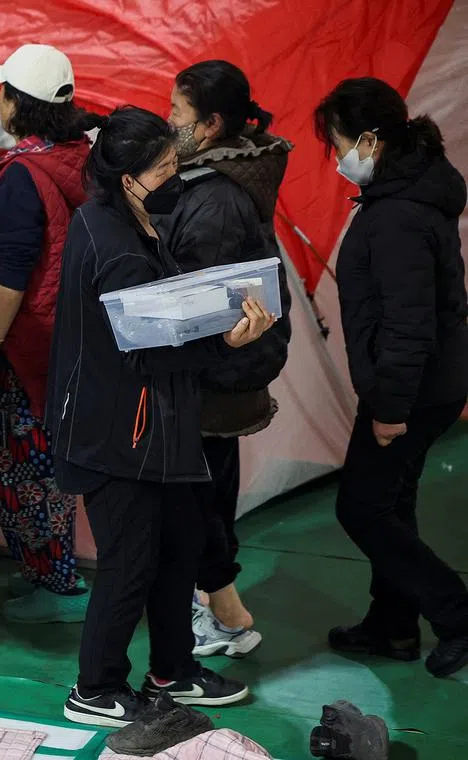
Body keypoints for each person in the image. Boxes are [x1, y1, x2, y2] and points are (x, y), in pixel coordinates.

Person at [49, 107, 274, 726]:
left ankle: (173, 668)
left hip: (156, 428)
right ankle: (94, 688)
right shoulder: (117, 247)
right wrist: (226, 341)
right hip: (120, 434)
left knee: (179, 547)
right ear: (129, 178)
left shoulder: (120, 220)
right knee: (129, 563)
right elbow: (147, 348)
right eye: (166, 167)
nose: (178, 175)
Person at [314, 77, 468, 679]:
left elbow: (408, 324)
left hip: (410, 387)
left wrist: (388, 407)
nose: (338, 158)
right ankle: (394, 625)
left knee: (363, 507)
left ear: (370, 140)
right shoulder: (411, 191)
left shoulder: (397, 215)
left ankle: (455, 615)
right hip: (425, 381)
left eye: (339, 143)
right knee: (393, 502)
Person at [156, 60, 293, 656]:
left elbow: (196, 300)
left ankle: (226, 612)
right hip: (229, 375)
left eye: (176, 114)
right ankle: (222, 607)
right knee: (210, 489)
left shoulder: (212, 198)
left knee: (197, 497)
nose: (169, 123)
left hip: (211, 373)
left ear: (210, 125)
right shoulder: (234, 176)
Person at [0, 44, 94, 623]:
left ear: (18, 103)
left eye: (3, 92)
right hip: (68, 339)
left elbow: (12, 273)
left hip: (23, 344)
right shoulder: (78, 158)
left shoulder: (20, 176)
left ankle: (47, 577)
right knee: (52, 462)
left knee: (22, 465)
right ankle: (57, 568)